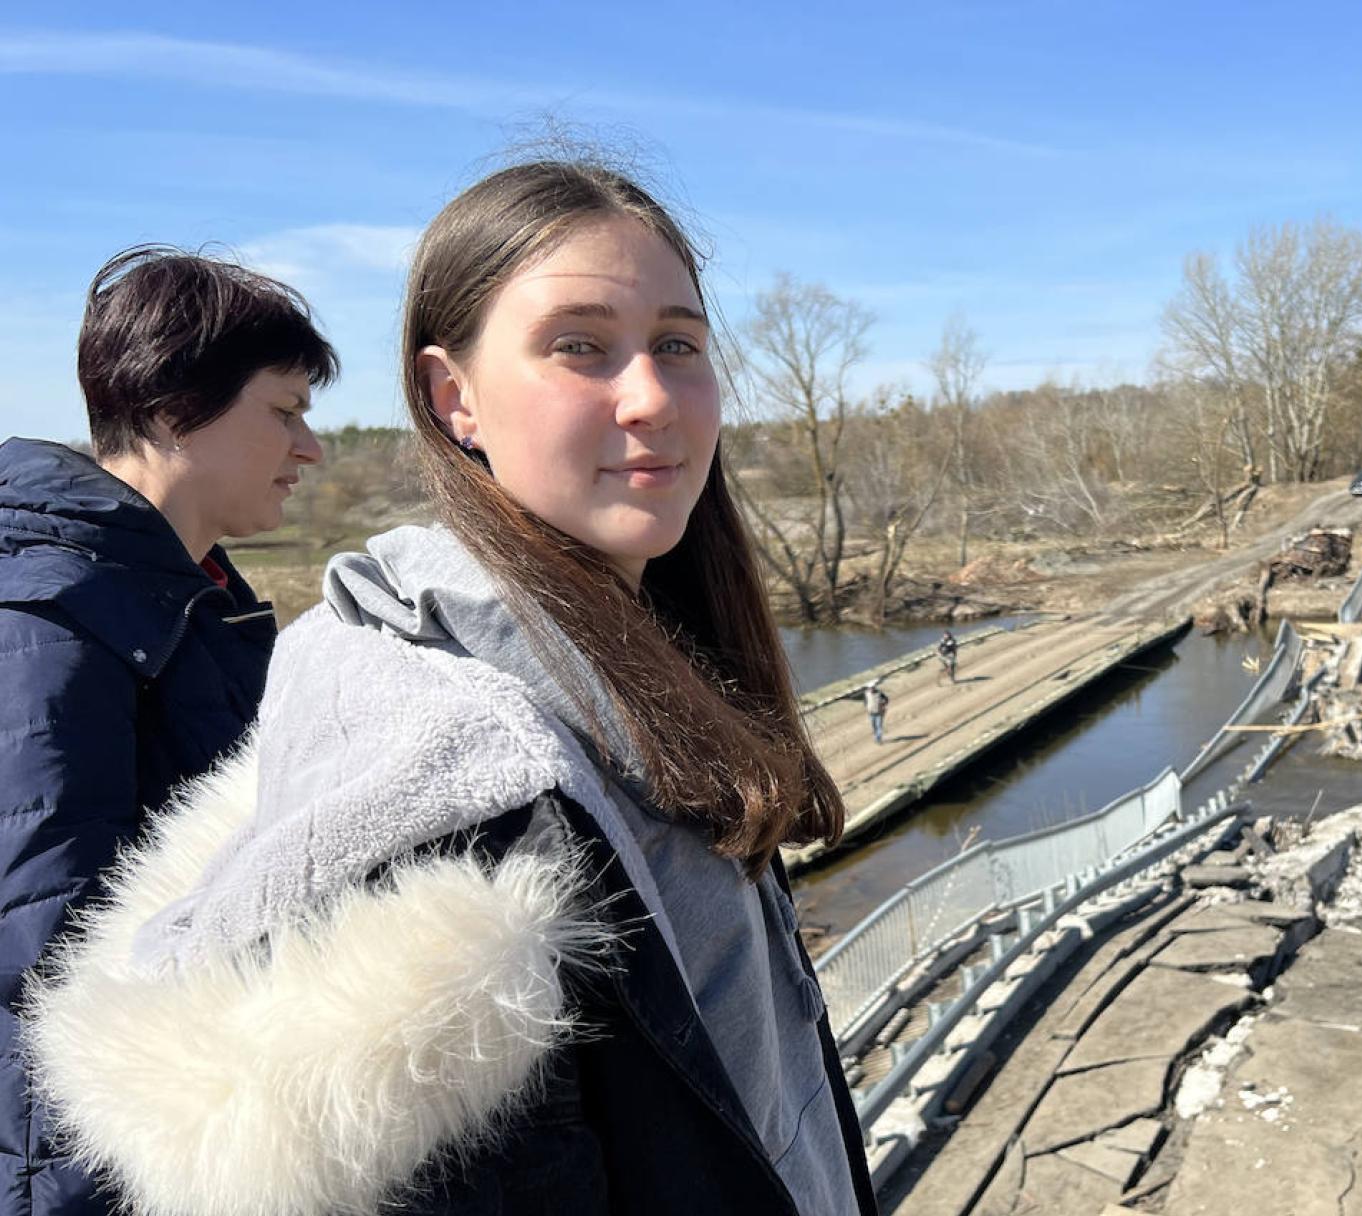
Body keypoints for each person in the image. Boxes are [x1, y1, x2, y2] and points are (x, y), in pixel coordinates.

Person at [22, 160, 875, 1216]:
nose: (651, 394)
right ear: (453, 396)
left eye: (678, 343)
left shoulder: (641, 668)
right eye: (580, 345)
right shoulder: (469, 800)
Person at [0, 247, 335, 1214]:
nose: (310, 448)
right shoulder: (48, 623)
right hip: (100, 1173)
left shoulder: (193, 602)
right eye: (284, 411)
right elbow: (56, 956)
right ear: (171, 407)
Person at [864, 679, 889, 743]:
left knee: (879, 726)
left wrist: (883, 705)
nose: (871, 689)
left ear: (874, 687)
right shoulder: (866, 694)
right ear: (868, 688)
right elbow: (865, 702)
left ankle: (878, 739)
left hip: (879, 713)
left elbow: (886, 699)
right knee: (874, 726)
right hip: (871, 713)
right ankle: (876, 737)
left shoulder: (879, 693)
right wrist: (867, 708)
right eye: (870, 688)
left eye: (872, 688)